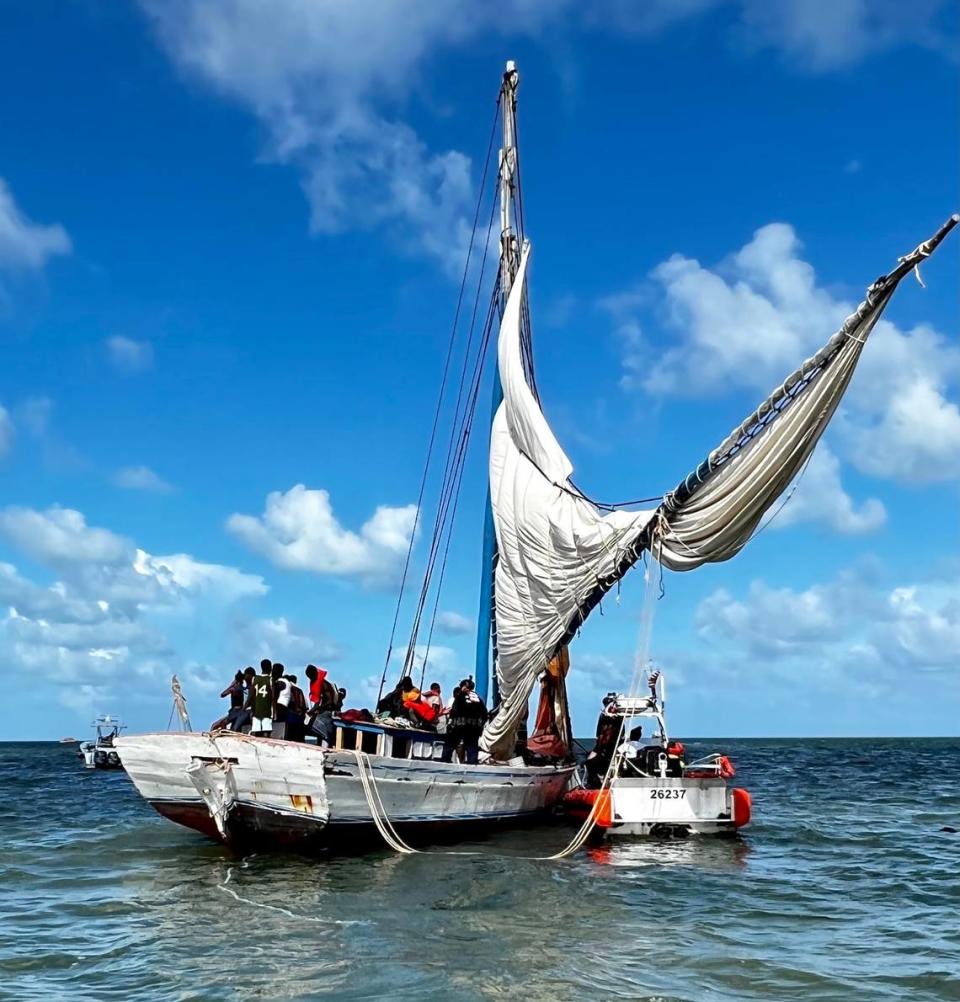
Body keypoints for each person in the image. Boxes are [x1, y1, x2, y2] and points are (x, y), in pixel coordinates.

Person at [441, 678, 487, 765]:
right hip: (473, 729)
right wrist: (479, 726)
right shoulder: (479, 700)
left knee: (449, 745)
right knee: (472, 748)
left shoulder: (459, 697)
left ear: (463, 687)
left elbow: (454, 711)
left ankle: (444, 763)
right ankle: (472, 767)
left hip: (458, 727)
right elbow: (484, 714)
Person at [305, 664, 339, 747]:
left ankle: (324, 747)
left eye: (311, 677)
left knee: (321, 729)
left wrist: (318, 709)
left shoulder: (324, 684)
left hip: (327, 711)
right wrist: (312, 711)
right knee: (317, 729)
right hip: (322, 710)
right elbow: (317, 701)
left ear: (315, 674)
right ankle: (320, 746)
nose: (310, 679)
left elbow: (330, 701)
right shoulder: (317, 683)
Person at [250, 659, 274, 736]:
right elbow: (273, 697)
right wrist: (275, 712)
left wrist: (252, 709)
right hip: (267, 710)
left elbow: (252, 696)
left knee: (256, 731)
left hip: (256, 710)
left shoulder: (255, 679)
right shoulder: (270, 679)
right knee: (267, 731)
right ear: (270, 668)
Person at [284, 674, 307, 742]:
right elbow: (304, 706)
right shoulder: (299, 690)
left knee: (289, 738)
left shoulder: (289, 690)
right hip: (299, 719)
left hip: (290, 719)